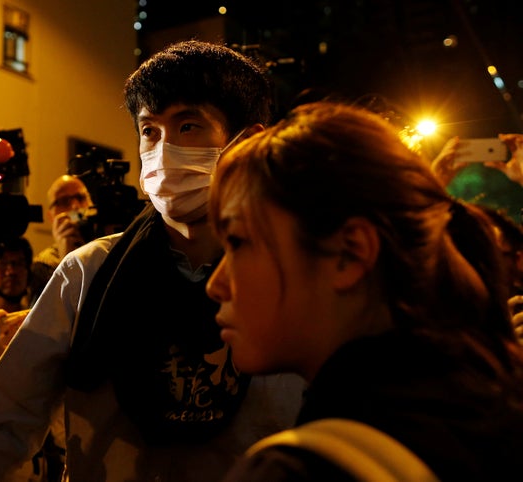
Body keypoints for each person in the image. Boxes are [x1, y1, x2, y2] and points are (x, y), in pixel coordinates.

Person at [0, 39, 306, 482]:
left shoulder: (294, 280)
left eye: (187, 127)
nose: (162, 152)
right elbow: (4, 429)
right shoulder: (87, 273)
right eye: (149, 131)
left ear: (248, 143)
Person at [204, 101, 523, 481]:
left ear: (350, 252)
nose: (215, 284)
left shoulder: (300, 470)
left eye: (238, 242)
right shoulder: (493, 405)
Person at [30, 174, 93, 300]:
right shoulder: (44, 264)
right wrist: (67, 260)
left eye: (81, 198)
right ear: (51, 217)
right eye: (64, 201)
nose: (75, 207)